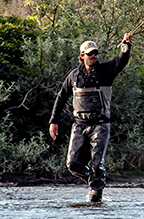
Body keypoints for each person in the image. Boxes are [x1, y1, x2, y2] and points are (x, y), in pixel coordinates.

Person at [49, 34, 133, 202]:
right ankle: (95, 181)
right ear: (82, 56)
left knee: (96, 164)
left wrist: (126, 45)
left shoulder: (106, 71)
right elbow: (61, 97)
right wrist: (53, 121)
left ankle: (96, 194)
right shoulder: (73, 76)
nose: (93, 55)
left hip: (100, 125)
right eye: (89, 53)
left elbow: (122, 60)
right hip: (79, 126)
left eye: (95, 53)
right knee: (72, 164)